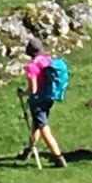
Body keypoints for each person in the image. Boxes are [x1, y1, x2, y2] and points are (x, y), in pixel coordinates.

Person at [18, 38, 68, 168]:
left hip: (38, 101)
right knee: (36, 125)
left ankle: (58, 157)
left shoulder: (31, 66)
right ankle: (28, 150)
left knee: (43, 127)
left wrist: (23, 93)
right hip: (48, 97)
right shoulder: (46, 60)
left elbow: (33, 90)